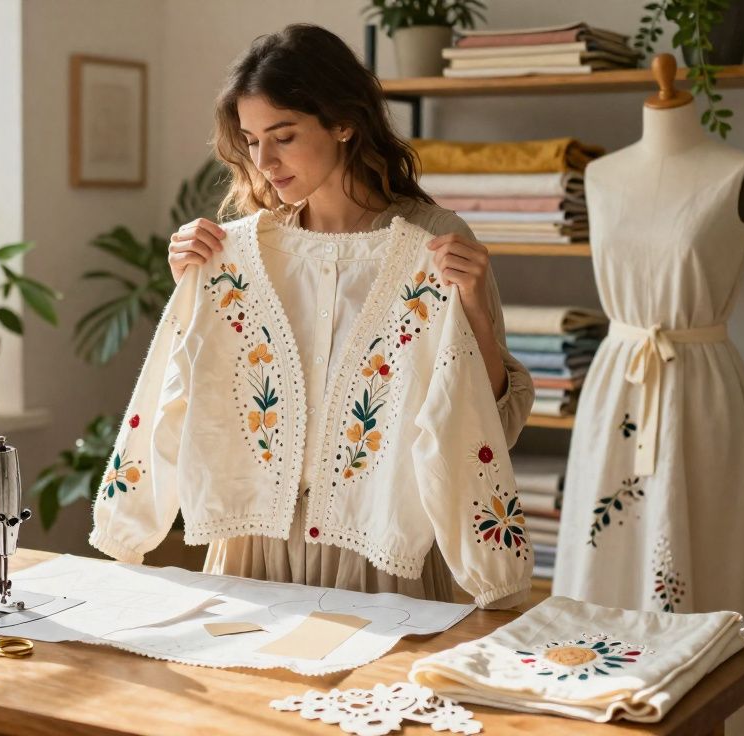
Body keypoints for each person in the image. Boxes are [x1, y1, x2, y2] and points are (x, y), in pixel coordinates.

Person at [174, 23, 533, 600]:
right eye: (251, 139)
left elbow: (493, 427)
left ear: (343, 122)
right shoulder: (240, 256)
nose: (263, 160)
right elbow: (200, 393)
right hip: (255, 545)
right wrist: (194, 291)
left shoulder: (436, 242)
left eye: (284, 136)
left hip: (385, 547)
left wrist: (474, 314)